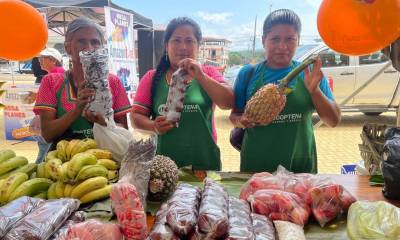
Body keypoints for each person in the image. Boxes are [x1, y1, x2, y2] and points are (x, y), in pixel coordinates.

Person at [229, 9, 341, 173]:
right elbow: (234, 115)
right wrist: (242, 121)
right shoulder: (248, 73)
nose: (282, 46)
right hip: (257, 168)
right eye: (275, 39)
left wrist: (315, 91)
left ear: (298, 41)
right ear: (263, 40)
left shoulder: (310, 72)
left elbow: (333, 120)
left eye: (290, 39)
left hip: (300, 169)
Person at [131, 17, 234, 170]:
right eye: (176, 40)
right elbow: (135, 118)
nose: (183, 47)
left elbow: (228, 102)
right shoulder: (152, 77)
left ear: (198, 46)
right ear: (166, 46)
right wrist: (154, 126)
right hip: (165, 167)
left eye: (189, 41)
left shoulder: (208, 73)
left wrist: (200, 76)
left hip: (205, 163)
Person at [33, 18, 131, 150]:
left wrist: (105, 123)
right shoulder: (51, 81)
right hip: (66, 164)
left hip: (106, 164)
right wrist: (76, 110)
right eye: (81, 41)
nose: (89, 48)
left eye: (95, 42)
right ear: (68, 47)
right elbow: (47, 134)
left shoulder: (113, 82)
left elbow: (124, 129)